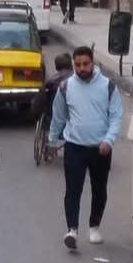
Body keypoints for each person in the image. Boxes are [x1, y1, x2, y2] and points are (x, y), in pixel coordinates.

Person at [49, 45, 123, 251]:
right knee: (73, 190)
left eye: (86, 64)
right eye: (78, 65)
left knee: (99, 190)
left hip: (100, 148)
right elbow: (58, 116)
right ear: (73, 64)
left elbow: (116, 116)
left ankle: (94, 226)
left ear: (93, 63)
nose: (82, 68)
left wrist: (108, 140)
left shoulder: (108, 87)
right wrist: (53, 140)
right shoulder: (66, 88)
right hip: (74, 147)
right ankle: (72, 230)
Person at [30, 51, 73, 123]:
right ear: (71, 65)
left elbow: (39, 102)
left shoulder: (51, 82)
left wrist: (36, 114)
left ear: (56, 67)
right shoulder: (78, 80)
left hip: (54, 115)